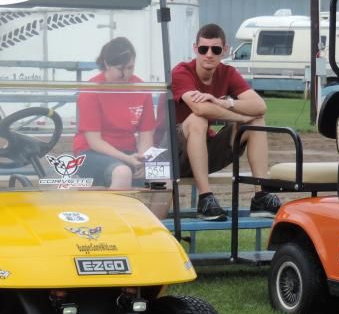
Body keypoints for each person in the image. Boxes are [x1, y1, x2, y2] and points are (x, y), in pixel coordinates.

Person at [172, 23, 280, 221]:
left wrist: (224, 102)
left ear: (225, 50)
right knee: (198, 120)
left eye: (216, 49)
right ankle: (205, 199)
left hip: (207, 151)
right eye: (203, 49)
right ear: (195, 49)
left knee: (257, 121)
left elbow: (259, 105)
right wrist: (240, 116)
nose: (209, 54)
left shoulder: (227, 72)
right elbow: (200, 109)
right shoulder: (182, 72)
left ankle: (261, 195)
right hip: (175, 156)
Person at [72, 37, 157, 190]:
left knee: (163, 178)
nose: (126, 75)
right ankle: (114, 214)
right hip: (91, 153)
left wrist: (145, 161)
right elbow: (94, 142)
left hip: (129, 153)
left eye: (130, 68)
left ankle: (154, 215)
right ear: (106, 64)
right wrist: (128, 160)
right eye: (120, 69)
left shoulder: (141, 89)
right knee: (122, 173)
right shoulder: (91, 91)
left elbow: (146, 136)